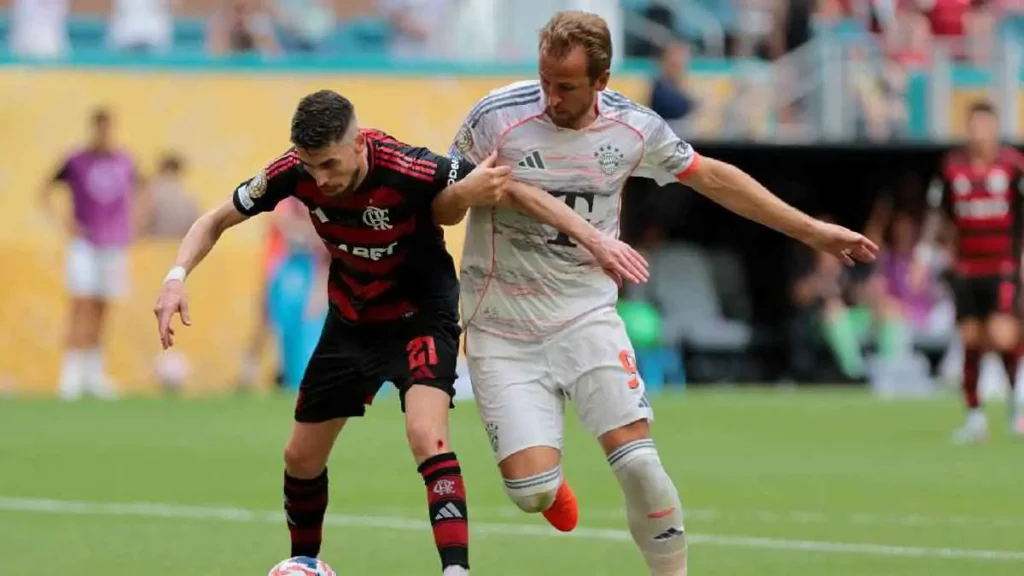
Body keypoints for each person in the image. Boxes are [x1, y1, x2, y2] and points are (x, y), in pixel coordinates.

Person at [441, 11, 878, 576]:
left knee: (639, 463)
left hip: (584, 315)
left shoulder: (633, 128)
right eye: (545, 79)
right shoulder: (495, 116)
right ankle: (546, 482)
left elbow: (714, 177)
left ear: (601, 81)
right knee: (532, 492)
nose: (550, 97)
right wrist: (467, 193)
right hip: (501, 322)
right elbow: (443, 204)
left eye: (566, 86)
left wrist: (812, 231)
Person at [152, 89, 645, 574]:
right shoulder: (292, 172)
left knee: (425, 436)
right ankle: (305, 565)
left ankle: (456, 571)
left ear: (358, 144)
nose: (320, 179)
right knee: (299, 457)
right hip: (351, 322)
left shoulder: (410, 166)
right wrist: (176, 277)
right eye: (310, 165)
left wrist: (595, 240)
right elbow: (214, 220)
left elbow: (512, 188)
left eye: (329, 164)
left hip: (420, 316)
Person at [914, 100, 1024, 443]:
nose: (980, 133)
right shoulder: (952, 168)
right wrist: (922, 256)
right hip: (965, 268)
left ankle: (1017, 404)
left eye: (985, 126)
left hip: (1003, 265)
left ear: (996, 129)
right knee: (971, 340)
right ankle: (975, 418)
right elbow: (936, 215)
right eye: (974, 126)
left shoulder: (1013, 166)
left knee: (1003, 335)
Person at [41, 108, 140, 401]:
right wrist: (65, 223)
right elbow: (45, 190)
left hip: (114, 243)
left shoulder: (124, 161)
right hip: (85, 242)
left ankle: (94, 373)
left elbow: (141, 190)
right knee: (81, 303)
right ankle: (70, 374)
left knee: (103, 306)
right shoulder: (76, 161)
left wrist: (135, 225)